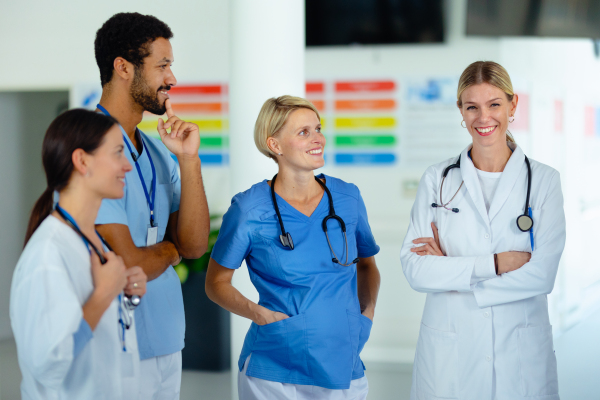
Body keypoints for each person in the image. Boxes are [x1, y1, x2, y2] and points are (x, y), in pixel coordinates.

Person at [400, 61, 566, 400]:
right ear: (460, 109)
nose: (483, 118)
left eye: (494, 105)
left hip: (519, 350)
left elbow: (542, 275)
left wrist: (453, 273)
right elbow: (416, 270)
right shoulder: (438, 179)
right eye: (471, 106)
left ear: (513, 105)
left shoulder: (545, 181)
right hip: (450, 352)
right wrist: (495, 264)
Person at [205, 95, 381, 400]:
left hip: (342, 356)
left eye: (318, 128)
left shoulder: (347, 198)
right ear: (275, 145)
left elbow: (366, 264)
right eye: (304, 133)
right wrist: (260, 315)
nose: (318, 139)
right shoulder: (249, 209)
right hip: (274, 366)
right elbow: (215, 283)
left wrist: (366, 314)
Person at [93, 13, 210, 399]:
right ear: (123, 67)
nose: (172, 79)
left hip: (167, 339)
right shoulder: (90, 149)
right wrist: (170, 249)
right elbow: (127, 262)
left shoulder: (160, 151)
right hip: (115, 346)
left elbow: (193, 246)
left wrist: (189, 160)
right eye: (162, 65)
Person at [10, 109, 148, 399]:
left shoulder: (92, 241)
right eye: (118, 152)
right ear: (82, 161)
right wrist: (103, 294)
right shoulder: (47, 255)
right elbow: (48, 363)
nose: (128, 166)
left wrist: (124, 295)